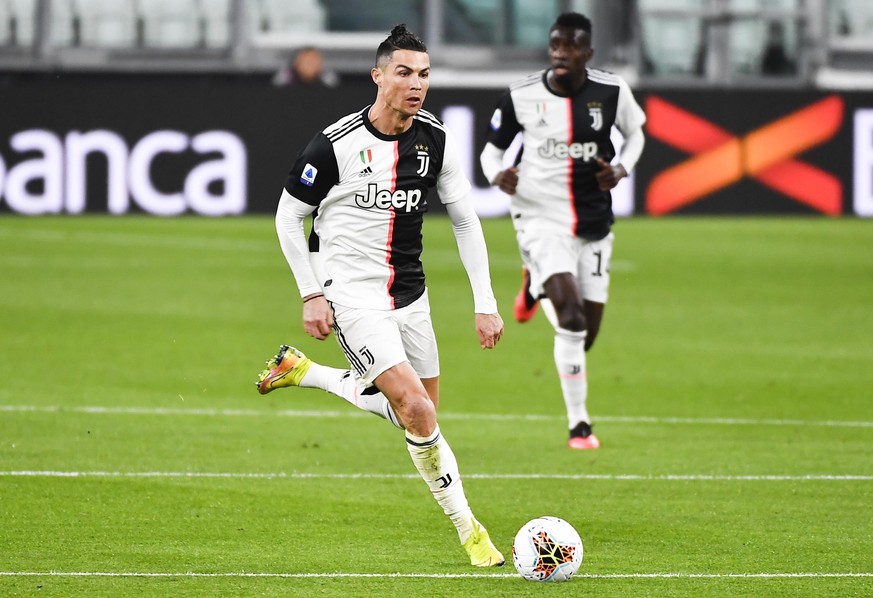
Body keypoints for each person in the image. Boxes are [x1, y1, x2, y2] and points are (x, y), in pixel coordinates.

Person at [256, 24, 506, 567]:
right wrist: (311, 293)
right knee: (415, 409)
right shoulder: (335, 144)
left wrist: (484, 301)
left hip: (409, 293)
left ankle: (309, 373)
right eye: (404, 72)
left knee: (423, 416)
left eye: (424, 74)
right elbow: (288, 216)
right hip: (348, 292)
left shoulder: (434, 138)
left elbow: (466, 220)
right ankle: (470, 531)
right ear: (377, 76)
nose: (416, 84)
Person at [479, 12, 646, 450]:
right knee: (570, 318)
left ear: (587, 54)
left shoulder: (612, 91)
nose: (560, 54)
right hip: (539, 217)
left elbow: (637, 134)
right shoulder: (521, 96)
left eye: (570, 48)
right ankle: (579, 426)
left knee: (583, 337)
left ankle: (534, 287)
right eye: (555, 46)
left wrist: (622, 168)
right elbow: (489, 154)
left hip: (593, 221)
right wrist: (499, 176)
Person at [272, 46, 337, 87]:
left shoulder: (327, 78)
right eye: (306, 61)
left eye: (313, 61)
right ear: (296, 63)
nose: (310, 65)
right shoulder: (286, 77)